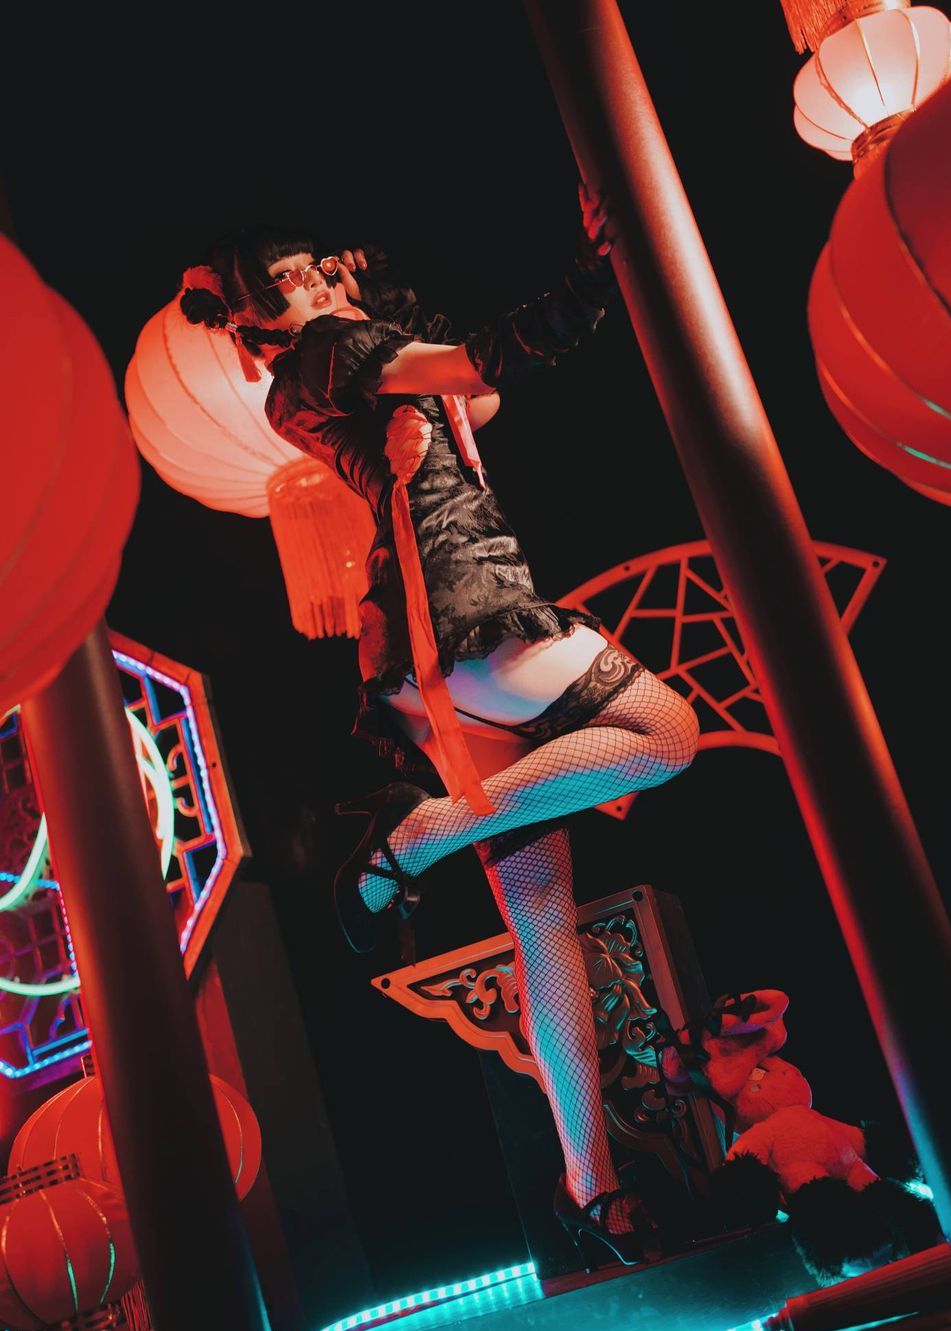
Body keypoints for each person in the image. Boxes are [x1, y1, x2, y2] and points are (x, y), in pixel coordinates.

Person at [179, 193, 700, 1269]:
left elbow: (476, 395)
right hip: (466, 616)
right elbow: (485, 362)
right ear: (269, 305)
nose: (320, 279)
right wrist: (591, 274)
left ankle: (592, 1188)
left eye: (318, 267)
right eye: (296, 274)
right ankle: (413, 837)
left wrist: (396, 310)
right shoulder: (332, 354)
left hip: (431, 646)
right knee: (665, 730)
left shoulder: (325, 374)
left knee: (542, 918)